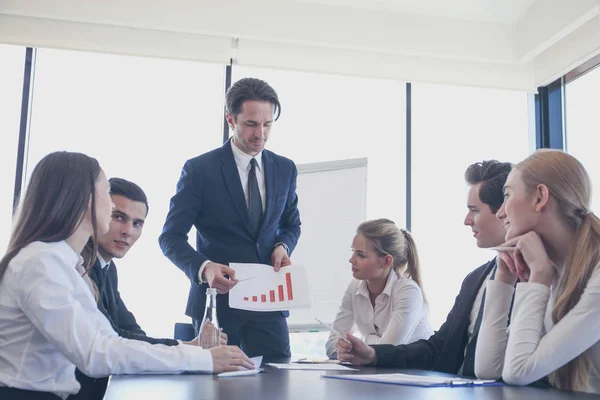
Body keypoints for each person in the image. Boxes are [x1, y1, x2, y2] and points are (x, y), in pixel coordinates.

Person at [0, 151, 252, 400]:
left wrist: (194, 353)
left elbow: (110, 339)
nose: (110, 204)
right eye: (105, 193)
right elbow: (95, 354)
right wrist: (202, 358)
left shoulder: (66, 264)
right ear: (81, 198)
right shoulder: (41, 263)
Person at [159, 77, 301, 359]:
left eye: (267, 124)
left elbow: (291, 225)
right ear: (230, 119)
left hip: (269, 307)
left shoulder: (285, 169)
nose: (260, 133)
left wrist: (282, 246)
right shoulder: (200, 169)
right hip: (217, 308)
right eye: (251, 124)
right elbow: (170, 237)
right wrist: (205, 268)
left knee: (277, 389)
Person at [335, 160, 511, 378]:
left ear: (505, 212)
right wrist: (373, 355)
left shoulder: (538, 278)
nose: (466, 221)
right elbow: (438, 347)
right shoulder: (475, 279)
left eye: (474, 211)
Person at [74, 178, 227, 400]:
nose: (128, 231)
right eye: (118, 217)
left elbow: (131, 331)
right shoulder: (79, 265)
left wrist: (190, 346)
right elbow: (113, 337)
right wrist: (188, 350)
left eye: (137, 223)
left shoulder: (107, 268)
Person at [475, 149, 600, 393]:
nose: (501, 212)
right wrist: (504, 278)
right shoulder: (557, 271)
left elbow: (518, 371)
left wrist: (539, 277)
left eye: (507, 195)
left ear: (540, 197)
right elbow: (489, 368)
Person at [325, 219, 432, 358]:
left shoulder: (408, 292)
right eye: (353, 251)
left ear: (386, 261)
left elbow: (388, 352)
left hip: (417, 374)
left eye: (361, 255)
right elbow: (331, 345)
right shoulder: (355, 286)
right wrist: (344, 350)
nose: (351, 259)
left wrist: (367, 339)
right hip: (379, 373)